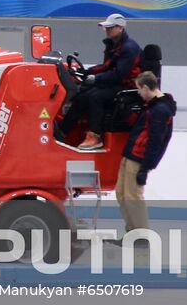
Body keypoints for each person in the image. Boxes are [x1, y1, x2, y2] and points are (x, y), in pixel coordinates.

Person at [57, 13, 141, 150]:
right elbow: (106, 66)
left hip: (125, 86)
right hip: (114, 83)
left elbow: (119, 74)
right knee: (82, 95)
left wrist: (96, 78)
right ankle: (62, 131)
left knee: (96, 96)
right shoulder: (114, 45)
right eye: (106, 28)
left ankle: (95, 136)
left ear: (120, 28)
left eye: (110, 27)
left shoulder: (129, 48)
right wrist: (87, 72)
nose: (107, 30)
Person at [117, 71, 175, 239]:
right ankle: (133, 232)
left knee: (133, 197)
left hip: (138, 159)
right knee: (121, 193)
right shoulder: (152, 107)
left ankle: (141, 237)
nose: (139, 94)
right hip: (130, 155)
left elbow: (156, 141)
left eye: (139, 89)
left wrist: (146, 167)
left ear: (145, 87)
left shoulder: (160, 110)